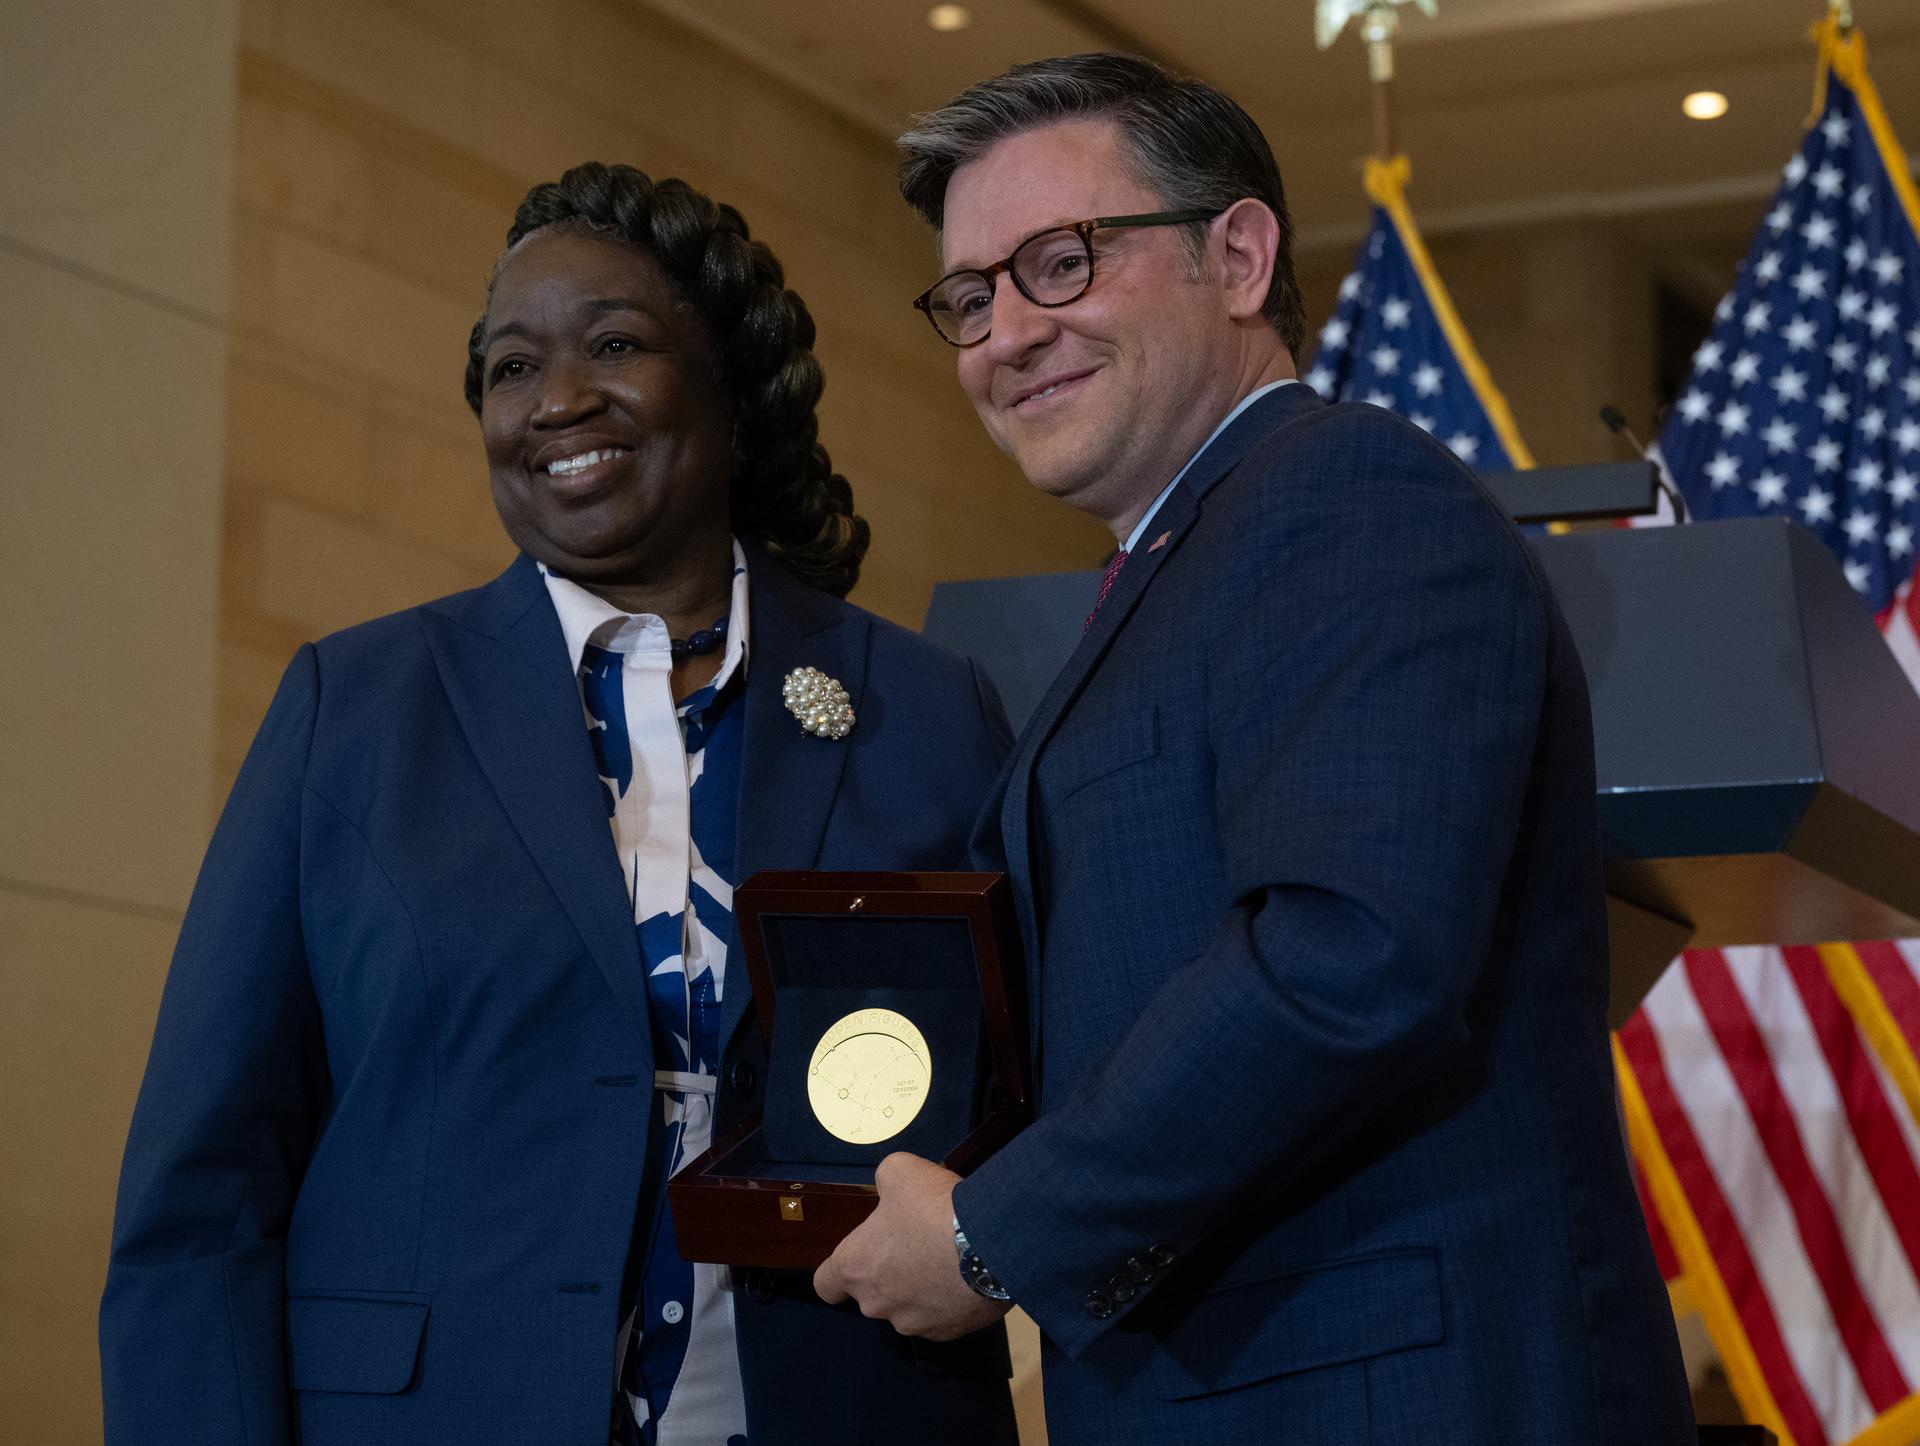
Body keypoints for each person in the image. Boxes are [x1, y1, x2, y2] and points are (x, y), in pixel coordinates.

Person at [814, 54, 1697, 1443]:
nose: (1003, 335)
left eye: (1058, 262)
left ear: (1236, 255)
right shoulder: (1186, 562)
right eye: (971, 297)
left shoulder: (1348, 496)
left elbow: (1351, 953)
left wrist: (994, 1232)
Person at [101, 161, 1018, 1446]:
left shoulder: (929, 710)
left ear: (732, 390)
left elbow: (1039, 1095)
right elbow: (203, 1197)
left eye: (616, 344)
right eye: (511, 368)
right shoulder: (353, 711)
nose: (558, 400)